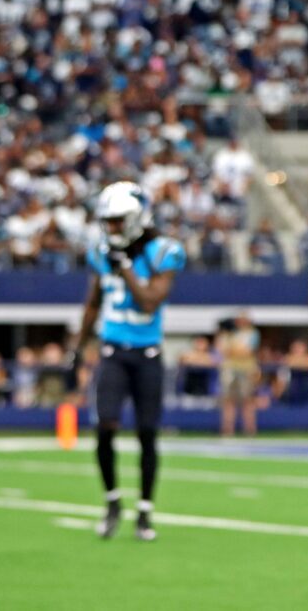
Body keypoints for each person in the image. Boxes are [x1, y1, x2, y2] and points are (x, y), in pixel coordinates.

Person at [74, 181, 186, 542]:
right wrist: (77, 349)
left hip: (148, 354)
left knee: (147, 434)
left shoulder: (163, 251)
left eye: (119, 221)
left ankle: (144, 511)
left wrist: (125, 268)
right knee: (104, 426)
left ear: (137, 218)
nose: (112, 228)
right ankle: (111, 501)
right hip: (112, 351)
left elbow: (150, 301)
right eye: (108, 221)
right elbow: (93, 302)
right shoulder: (100, 252)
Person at [216, 312, 261, 436]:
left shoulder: (252, 333)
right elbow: (222, 350)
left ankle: (250, 430)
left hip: (246, 369)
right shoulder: (228, 334)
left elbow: (246, 351)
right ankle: (227, 430)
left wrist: (233, 349)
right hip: (229, 369)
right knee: (227, 400)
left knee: (247, 400)